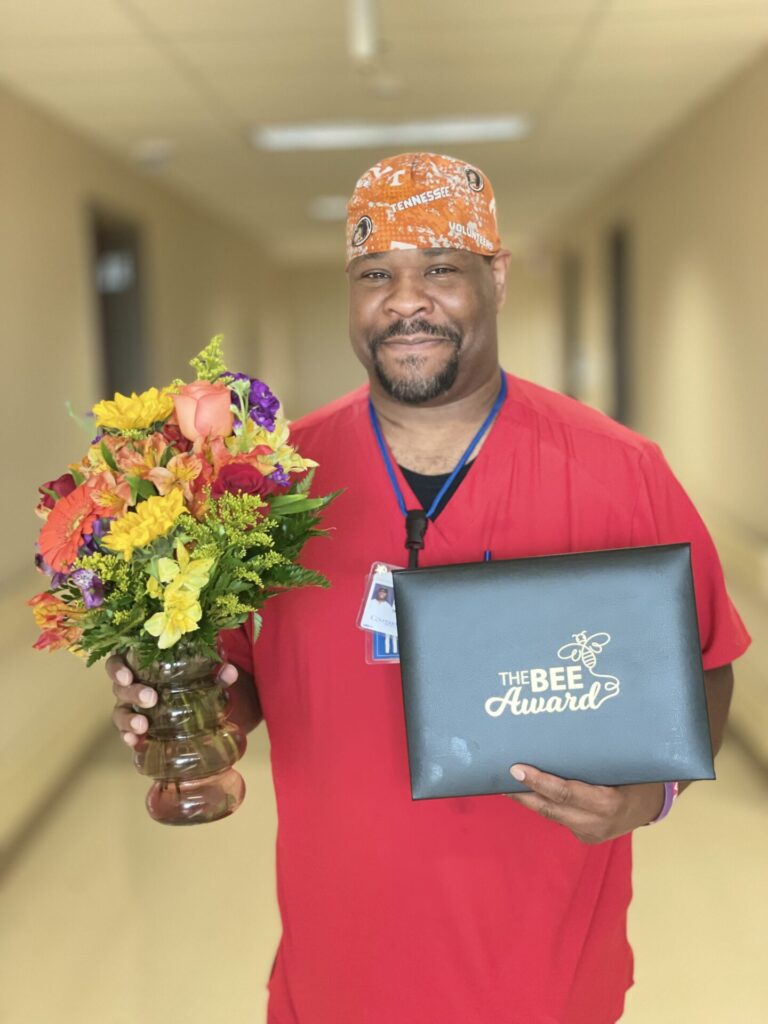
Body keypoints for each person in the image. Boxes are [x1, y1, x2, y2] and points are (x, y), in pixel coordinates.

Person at [109, 153, 750, 1023]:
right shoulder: (263, 486)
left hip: (549, 976)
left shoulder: (620, 471)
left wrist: (653, 794)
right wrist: (188, 727)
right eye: (376, 274)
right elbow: (234, 677)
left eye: (441, 269)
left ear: (497, 277)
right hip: (337, 974)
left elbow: (706, 665)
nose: (406, 300)